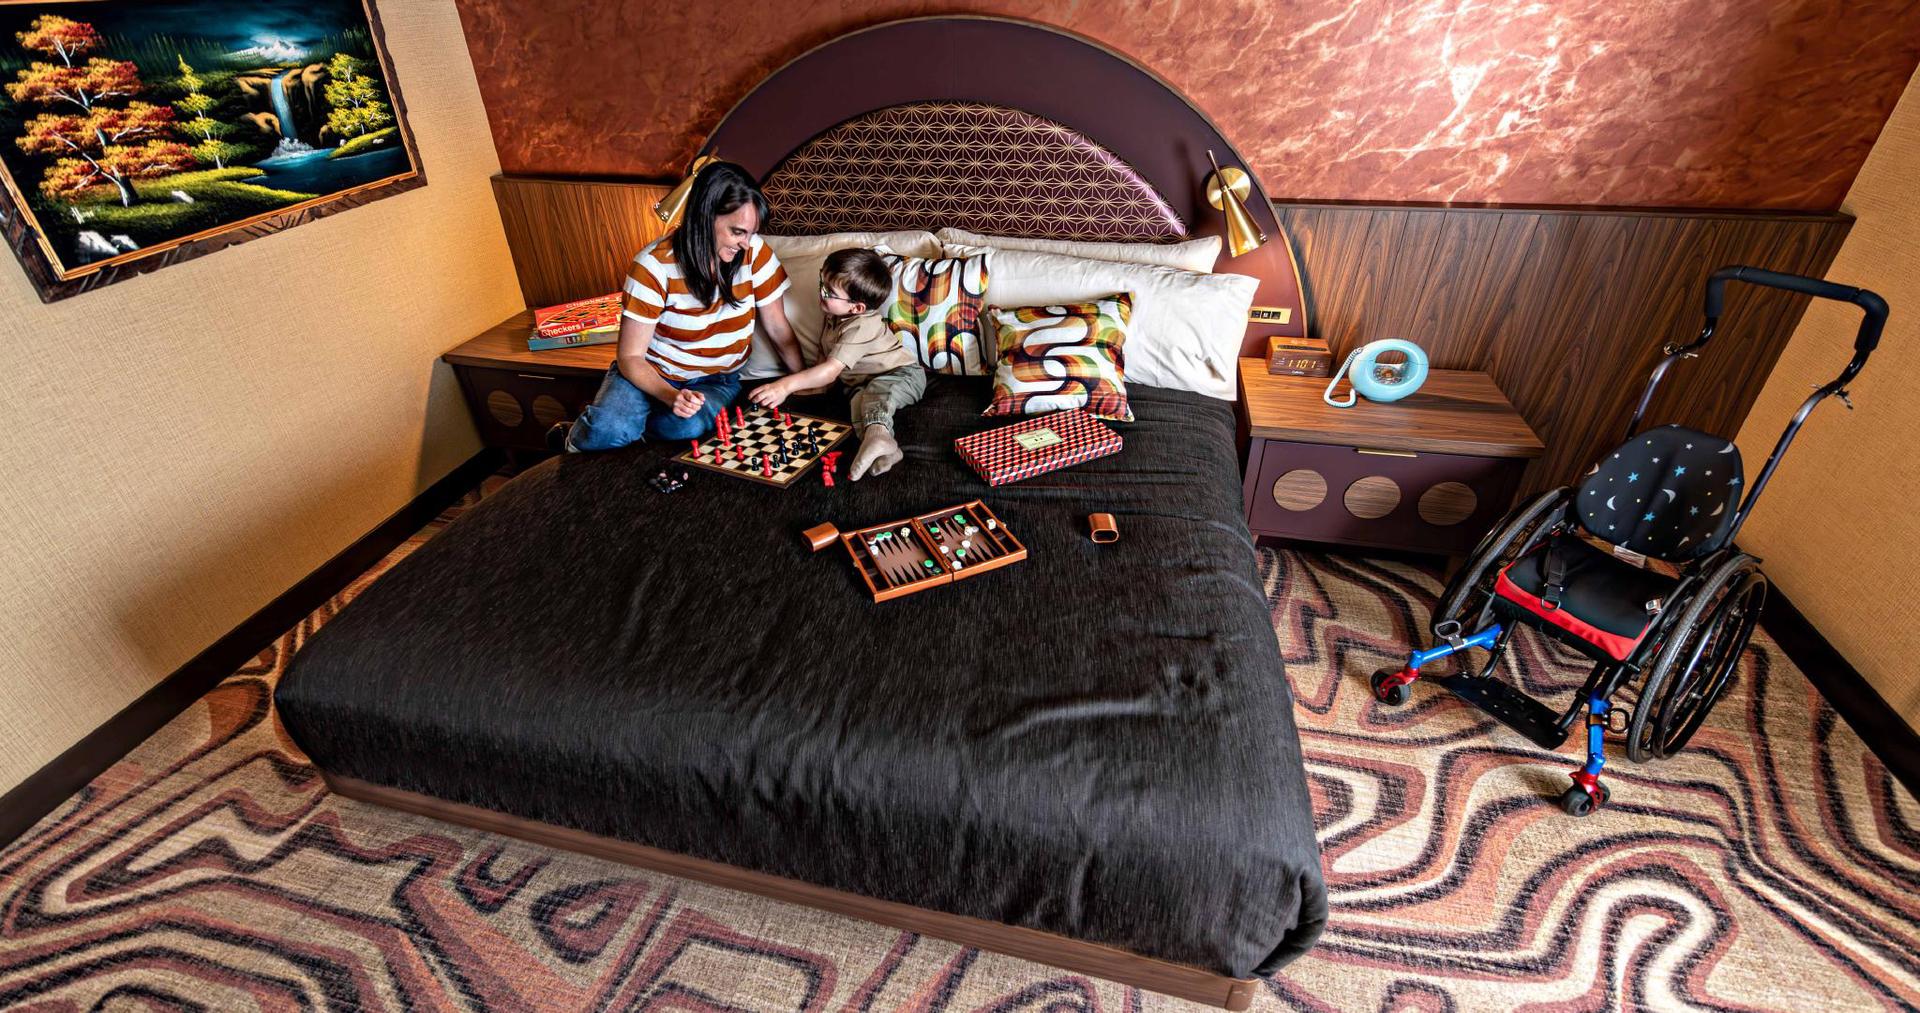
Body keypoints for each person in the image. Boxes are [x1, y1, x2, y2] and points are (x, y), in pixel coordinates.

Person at [558, 161, 802, 453]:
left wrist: (801, 384)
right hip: (650, 373)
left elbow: (778, 327)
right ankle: (571, 435)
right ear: (705, 215)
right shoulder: (652, 265)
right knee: (605, 432)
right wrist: (669, 395)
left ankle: (631, 426)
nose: (746, 244)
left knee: (686, 426)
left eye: (751, 233)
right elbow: (630, 356)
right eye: (738, 232)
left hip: (715, 381)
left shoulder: (755, 252)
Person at [749, 248, 924, 480]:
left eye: (828, 291)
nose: (820, 291)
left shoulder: (862, 325)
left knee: (877, 394)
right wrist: (797, 392)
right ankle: (887, 449)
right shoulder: (833, 317)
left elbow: (830, 371)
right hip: (860, 384)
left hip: (902, 374)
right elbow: (823, 369)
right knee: (858, 405)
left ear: (857, 308)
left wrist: (785, 386)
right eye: (822, 281)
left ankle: (880, 435)